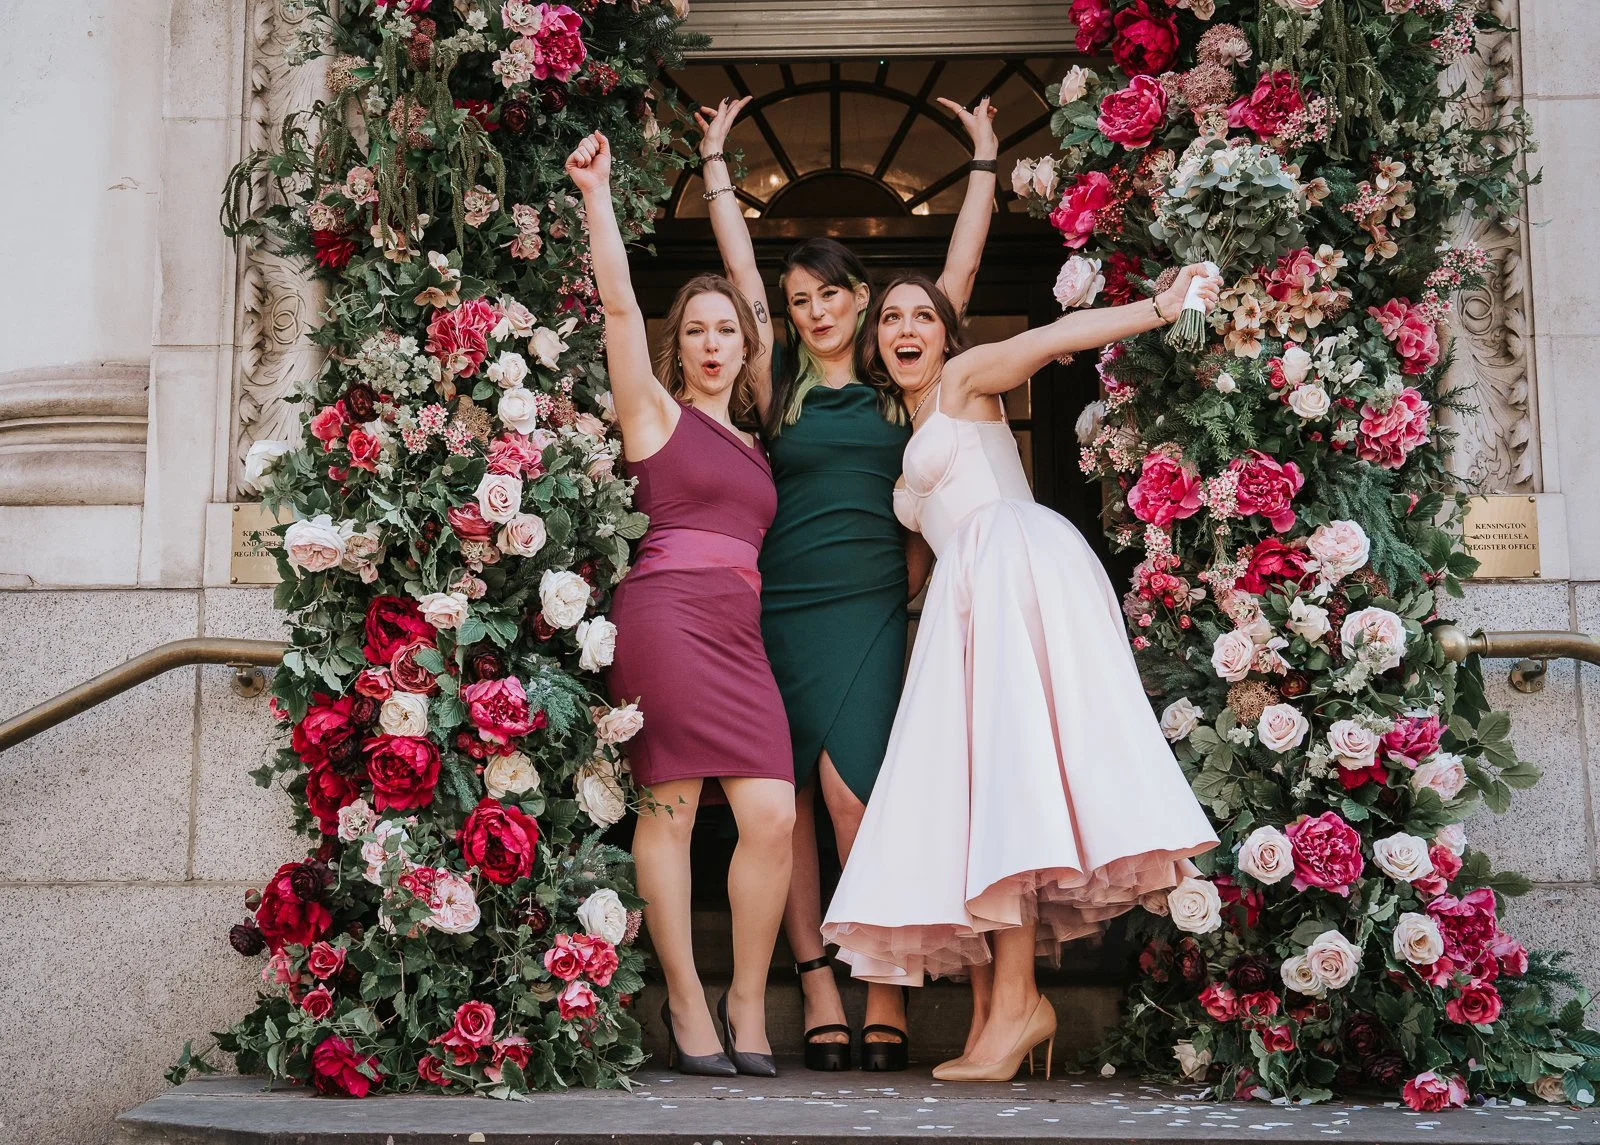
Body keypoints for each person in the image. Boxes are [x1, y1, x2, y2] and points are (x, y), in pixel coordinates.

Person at [821, 270, 1224, 1083]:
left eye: (923, 317)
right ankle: (1005, 1006)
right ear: (875, 340)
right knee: (988, 796)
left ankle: (1016, 1004)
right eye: (891, 317)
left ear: (945, 334)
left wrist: (1160, 309)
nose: (906, 328)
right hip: (966, 597)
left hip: (1013, 569)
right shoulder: (911, 418)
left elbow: (1048, 341)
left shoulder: (966, 381)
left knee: (1008, 784)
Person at [695, 94, 1000, 1071]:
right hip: (773, 607)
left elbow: (954, 276)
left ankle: (881, 979)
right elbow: (741, 272)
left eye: (831, 293)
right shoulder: (775, 374)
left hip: (870, 606)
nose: (815, 308)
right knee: (775, 803)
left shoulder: (903, 374)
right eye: (800, 299)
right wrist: (714, 167)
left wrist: (986, 162)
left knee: (856, 800)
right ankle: (816, 981)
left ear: (861, 298)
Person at [566, 132, 795, 1078]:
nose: (712, 343)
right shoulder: (653, 412)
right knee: (669, 811)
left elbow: (758, 294)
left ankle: (747, 994)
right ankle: (689, 1001)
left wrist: (720, 177)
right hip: (663, 617)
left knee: (772, 814)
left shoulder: (753, 435)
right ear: (679, 342)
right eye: (697, 329)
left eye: (726, 331)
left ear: (747, 347)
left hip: (738, 633)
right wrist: (598, 192)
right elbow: (618, 302)